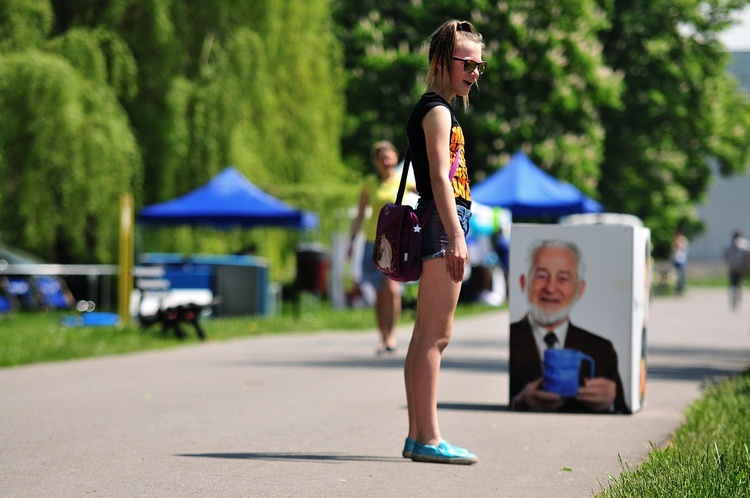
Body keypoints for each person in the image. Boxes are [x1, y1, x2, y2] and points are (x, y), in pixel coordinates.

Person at [402, 19, 485, 465]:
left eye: (478, 65)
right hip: (444, 220)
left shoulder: (436, 107)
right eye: (466, 63)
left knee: (424, 336)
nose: (473, 72)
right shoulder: (436, 111)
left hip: (441, 219)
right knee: (437, 336)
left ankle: (418, 436)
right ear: (440, 61)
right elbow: (438, 177)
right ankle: (430, 438)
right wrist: (456, 234)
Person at [509, 239, 629, 413]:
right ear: (523, 282)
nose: (551, 288)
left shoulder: (602, 349)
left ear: (580, 289)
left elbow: (622, 410)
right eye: (542, 276)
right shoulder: (508, 340)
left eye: (563, 278)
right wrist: (518, 403)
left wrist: (610, 399)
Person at [348, 141, 413, 355]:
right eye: (382, 158)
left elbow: (429, 193)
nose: (387, 161)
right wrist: (351, 241)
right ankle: (383, 337)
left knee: (393, 290)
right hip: (374, 242)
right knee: (379, 292)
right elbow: (359, 215)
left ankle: (392, 336)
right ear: (376, 162)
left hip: (396, 242)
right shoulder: (369, 184)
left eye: (390, 156)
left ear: (396, 158)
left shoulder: (404, 180)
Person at [724, 229, 750, 311]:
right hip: (741, 266)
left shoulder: (728, 244)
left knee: (732, 283)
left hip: (732, 266)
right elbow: (748, 254)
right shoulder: (744, 244)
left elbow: (726, 255)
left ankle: (732, 299)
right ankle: (738, 299)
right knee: (739, 284)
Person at [671, 230, 689, 295]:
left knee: (681, 274)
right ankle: (677, 287)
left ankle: (681, 287)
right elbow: (673, 248)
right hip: (676, 259)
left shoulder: (683, 240)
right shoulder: (675, 240)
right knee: (675, 274)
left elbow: (682, 247)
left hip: (681, 259)